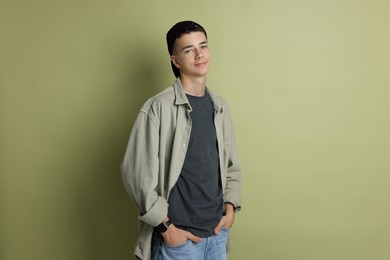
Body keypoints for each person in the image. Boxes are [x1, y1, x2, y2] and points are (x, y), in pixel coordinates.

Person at [121, 20, 242, 260]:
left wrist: (230, 209)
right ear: (175, 60)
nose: (199, 55)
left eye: (203, 46)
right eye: (189, 50)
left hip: (217, 235)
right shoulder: (157, 108)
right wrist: (166, 228)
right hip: (179, 242)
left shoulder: (220, 107)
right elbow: (135, 173)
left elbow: (231, 166)